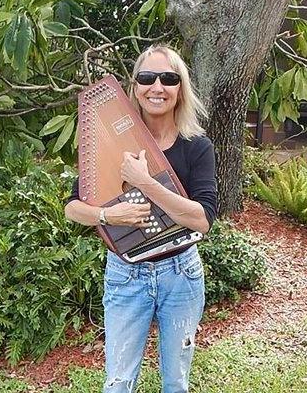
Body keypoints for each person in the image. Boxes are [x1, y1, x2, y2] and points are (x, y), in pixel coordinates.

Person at [64, 44, 217, 393]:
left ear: (181, 88)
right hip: (125, 274)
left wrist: (146, 182)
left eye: (168, 78)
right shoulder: (114, 142)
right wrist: (107, 213)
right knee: (118, 383)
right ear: (135, 86)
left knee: (176, 382)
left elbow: (203, 219)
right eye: (147, 78)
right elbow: (72, 207)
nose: (157, 87)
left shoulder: (197, 147)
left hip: (181, 274)